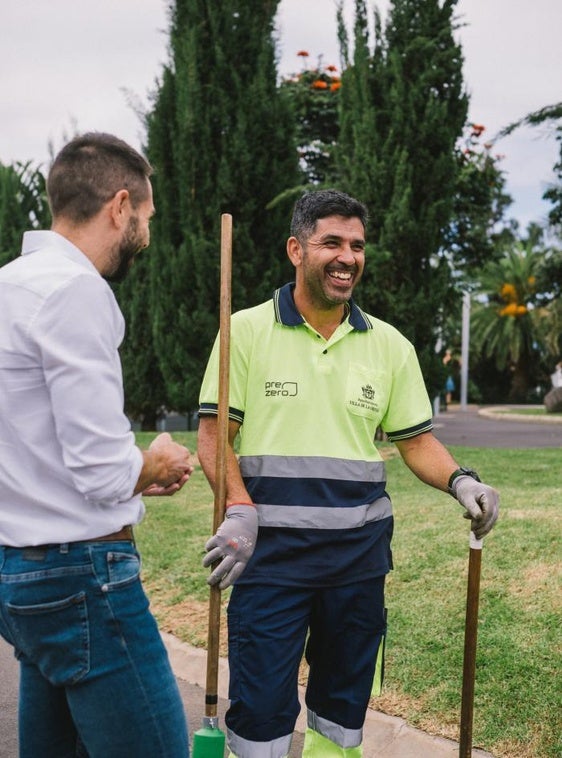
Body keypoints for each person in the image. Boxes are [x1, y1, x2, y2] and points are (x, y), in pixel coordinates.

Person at [197, 189, 499, 758]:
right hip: (269, 559)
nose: (347, 257)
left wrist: (463, 480)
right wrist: (238, 507)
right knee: (260, 710)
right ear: (296, 248)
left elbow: (417, 441)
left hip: (357, 563)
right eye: (331, 242)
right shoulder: (245, 332)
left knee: (341, 710)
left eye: (357, 245)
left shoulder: (389, 345)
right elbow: (214, 438)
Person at [0, 133, 193, 758]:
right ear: (119, 206)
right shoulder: (76, 291)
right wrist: (153, 462)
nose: (148, 230)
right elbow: (102, 469)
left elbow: (38, 439)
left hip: (18, 571)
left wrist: (132, 472)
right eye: (148, 216)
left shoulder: (9, 286)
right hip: (84, 579)